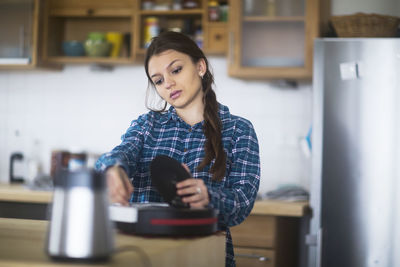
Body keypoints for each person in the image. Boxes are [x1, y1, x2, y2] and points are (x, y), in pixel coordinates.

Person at [95, 31, 260, 267]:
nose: (168, 83)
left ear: (200, 67)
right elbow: (121, 153)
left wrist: (208, 197)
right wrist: (113, 169)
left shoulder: (238, 129)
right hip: (143, 256)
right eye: (158, 80)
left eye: (176, 70)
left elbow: (242, 203)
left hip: (205, 257)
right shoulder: (147, 125)